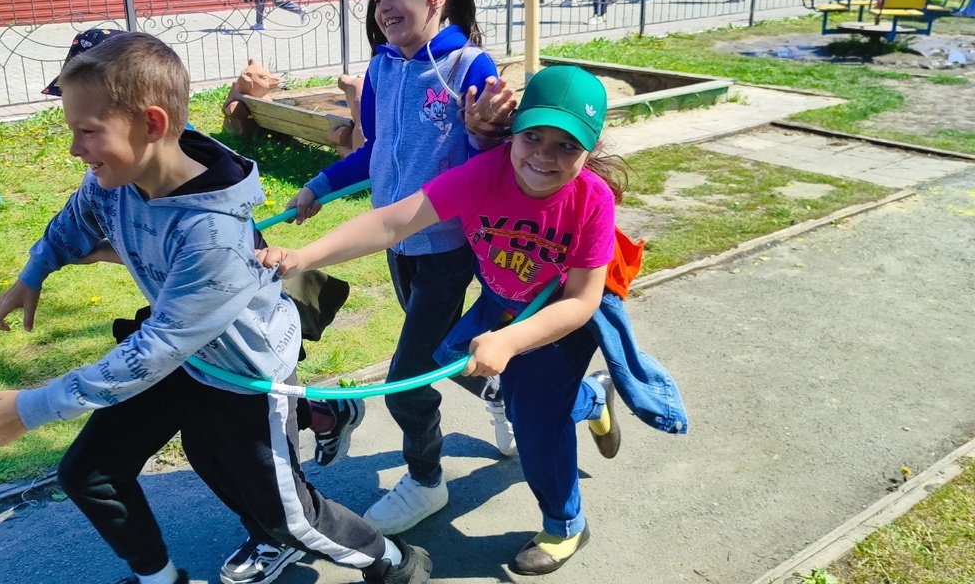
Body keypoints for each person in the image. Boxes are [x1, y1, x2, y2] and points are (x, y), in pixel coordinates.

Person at [0, 31, 432, 584]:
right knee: (91, 472)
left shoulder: (214, 236)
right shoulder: (118, 179)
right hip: (185, 357)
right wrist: (32, 274)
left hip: (242, 377)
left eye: (87, 131)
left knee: (288, 516)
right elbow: (78, 216)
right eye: (73, 130)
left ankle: (395, 562)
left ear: (152, 125)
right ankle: (161, 580)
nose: (74, 148)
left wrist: (34, 407)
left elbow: (153, 350)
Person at [259, 65, 687, 574]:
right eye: (534, 136)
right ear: (516, 130)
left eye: (567, 146)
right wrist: (304, 257)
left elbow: (582, 301)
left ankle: (565, 524)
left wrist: (509, 342)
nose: (545, 156)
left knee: (536, 424)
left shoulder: (591, 199)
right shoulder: (485, 175)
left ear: (589, 151)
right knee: (456, 360)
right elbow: (395, 220)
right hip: (502, 303)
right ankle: (590, 399)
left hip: (556, 323)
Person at [284, 0, 517, 537]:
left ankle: (425, 481)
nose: (384, 6)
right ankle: (516, 397)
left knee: (404, 383)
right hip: (398, 249)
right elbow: (375, 152)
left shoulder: (470, 68)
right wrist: (318, 185)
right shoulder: (384, 66)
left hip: (447, 250)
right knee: (442, 354)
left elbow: (484, 165)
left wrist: (485, 133)